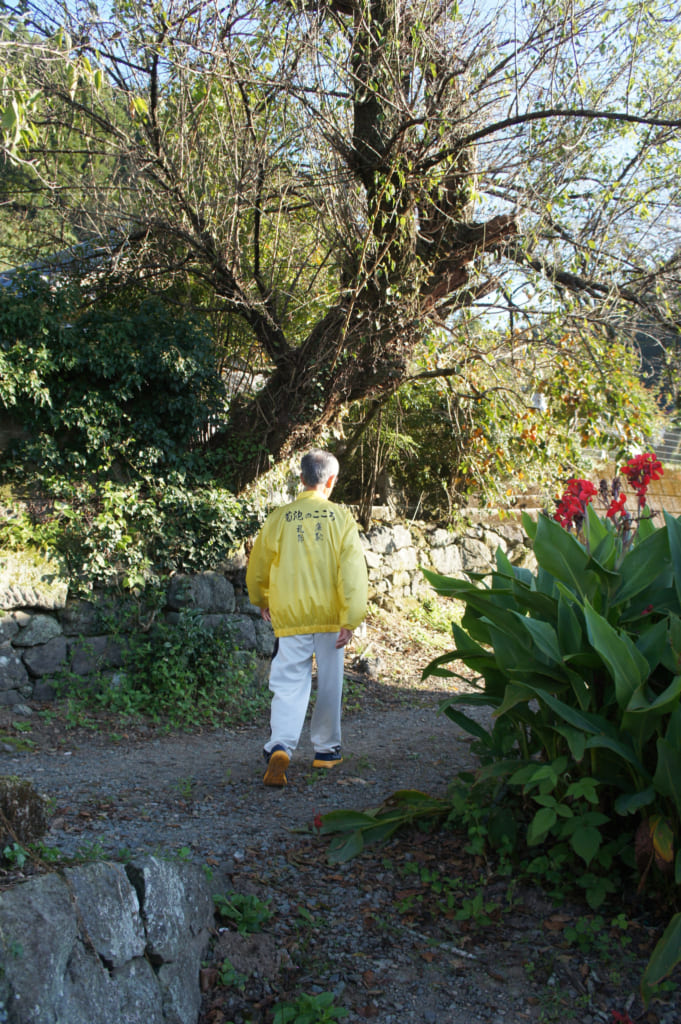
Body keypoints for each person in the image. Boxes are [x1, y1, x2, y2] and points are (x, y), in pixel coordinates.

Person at [246, 449, 369, 787]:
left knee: (288, 682)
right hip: (331, 617)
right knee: (330, 682)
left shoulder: (279, 518)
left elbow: (258, 566)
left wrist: (261, 599)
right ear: (331, 481)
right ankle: (326, 751)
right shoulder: (341, 518)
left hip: (290, 614)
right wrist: (351, 618)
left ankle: (280, 745)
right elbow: (353, 573)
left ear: (301, 479)